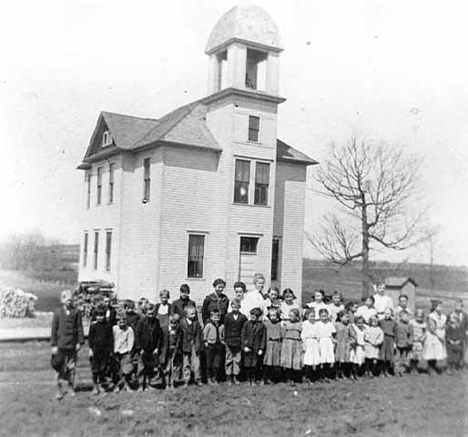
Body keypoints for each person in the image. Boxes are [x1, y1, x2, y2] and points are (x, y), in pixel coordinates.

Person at [51, 290, 85, 400]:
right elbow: (54, 330)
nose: (69, 302)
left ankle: (71, 387)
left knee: (72, 367)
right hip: (60, 345)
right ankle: (59, 389)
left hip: (72, 344)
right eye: (67, 299)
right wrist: (54, 345)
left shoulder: (76, 312)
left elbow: (79, 327)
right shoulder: (57, 312)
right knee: (59, 367)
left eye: (71, 299)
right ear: (62, 300)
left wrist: (79, 342)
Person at [135, 303, 162, 391]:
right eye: (149, 314)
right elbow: (137, 335)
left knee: (150, 367)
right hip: (143, 348)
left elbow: (159, 336)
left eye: (152, 314)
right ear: (145, 313)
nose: (151, 316)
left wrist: (157, 347)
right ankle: (140, 384)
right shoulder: (141, 322)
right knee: (141, 368)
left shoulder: (156, 322)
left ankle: (149, 384)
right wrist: (140, 348)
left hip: (152, 349)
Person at [88, 304, 113, 395]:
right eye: (98, 315)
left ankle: (102, 385)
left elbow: (110, 339)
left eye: (102, 315)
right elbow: (90, 339)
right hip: (95, 349)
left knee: (103, 368)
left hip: (105, 350)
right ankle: (95, 386)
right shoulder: (93, 326)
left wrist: (110, 350)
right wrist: (90, 349)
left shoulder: (108, 326)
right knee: (95, 369)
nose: (100, 318)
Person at [178, 305, 203, 387]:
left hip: (194, 345)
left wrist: (198, 345)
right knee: (186, 363)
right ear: (186, 314)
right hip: (185, 345)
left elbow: (199, 335)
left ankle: (198, 379)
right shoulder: (182, 323)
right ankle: (186, 380)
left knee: (197, 363)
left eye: (195, 314)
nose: (194, 315)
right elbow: (180, 335)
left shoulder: (196, 323)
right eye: (192, 314)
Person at [224, 298, 247, 385]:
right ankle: (228, 377)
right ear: (231, 307)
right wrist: (225, 339)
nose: (235, 309)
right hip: (229, 341)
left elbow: (244, 330)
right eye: (233, 307)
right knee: (229, 359)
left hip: (238, 341)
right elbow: (225, 328)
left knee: (237, 360)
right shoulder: (227, 316)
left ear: (239, 307)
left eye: (236, 307)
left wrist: (242, 341)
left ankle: (236, 376)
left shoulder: (243, 317)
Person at [241, 307, 267, 386]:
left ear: (258, 317)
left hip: (257, 348)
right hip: (248, 348)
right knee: (247, 364)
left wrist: (261, 348)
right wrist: (245, 345)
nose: (252, 317)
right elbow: (243, 335)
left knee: (255, 365)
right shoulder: (246, 324)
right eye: (251, 316)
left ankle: (254, 379)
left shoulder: (262, 326)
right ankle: (248, 379)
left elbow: (263, 338)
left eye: (254, 316)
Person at [112, 313, 135, 392]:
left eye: (123, 321)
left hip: (125, 351)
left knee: (126, 370)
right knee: (117, 370)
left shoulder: (129, 329)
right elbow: (112, 339)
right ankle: (117, 385)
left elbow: (131, 340)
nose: (121, 323)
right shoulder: (114, 329)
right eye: (119, 321)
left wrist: (129, 350)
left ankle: (126, 385)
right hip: (116, 351)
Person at [159, 314, 182, 390]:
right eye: (171, 323)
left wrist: (176, 350)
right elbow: (161, 341)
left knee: (174, 368)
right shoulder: (164, 330)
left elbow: (178, 341)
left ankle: (172, 383)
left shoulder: (178, 330)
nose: (173, 325)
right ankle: (166, 384)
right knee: (166, 368)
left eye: (175, 323)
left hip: (174, 351)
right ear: (169, 322)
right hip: (166, 351)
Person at [280, 308, 303, 385]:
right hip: (288, 343)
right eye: (289, 316)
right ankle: (288, 378)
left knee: (295, 360)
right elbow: (283, 334)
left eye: (292, 316)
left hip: (296, 343)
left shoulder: (300, 324)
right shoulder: (286, 324)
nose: (290, 317)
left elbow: (301, 334)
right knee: (288, 360)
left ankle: (295, 377)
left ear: (297, 317)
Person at [203, 309, 225, 385]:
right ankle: (209, 378)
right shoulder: (209, 326)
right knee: (209, 363)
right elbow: (204, 335)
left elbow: (222, 335)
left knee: (216, 363)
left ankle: (215, 378)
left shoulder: (222, 326)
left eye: (218, 317)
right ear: (211, 317)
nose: (216, 319)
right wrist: (205, 342)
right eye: (214, 317)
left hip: (218, 346)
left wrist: (222, 342)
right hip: (210, 345)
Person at [263, 306, 282, 383]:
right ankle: (265, 378)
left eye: (274, 315)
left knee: (275, 361)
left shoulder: (280, 324)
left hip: (276, 343)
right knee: (268, 361)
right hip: (269, 343)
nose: (272, 317)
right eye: (271, 316)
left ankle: (273, 378)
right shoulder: (267, 323)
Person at [316, 308, 336, 380]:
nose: (324, 318)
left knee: (328, 358)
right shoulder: (318, 324)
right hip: (321, 341)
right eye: (322, 316)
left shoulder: (329, 323)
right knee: (322, 357)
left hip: (328, 341)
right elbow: (317, 334)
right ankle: (321, 375)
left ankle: (328, 374)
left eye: (325, 316)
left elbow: (333, 332)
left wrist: (333, 340)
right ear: (319, 316)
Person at [301, 308, 320, 383]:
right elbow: (303, 334)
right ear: (307, 316)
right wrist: (304, 343)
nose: (312, 318)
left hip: (314, 342)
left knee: (314, 359)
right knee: (308, 359)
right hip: (308, 342)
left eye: (314, 316)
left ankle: (314, 376)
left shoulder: (316, 324)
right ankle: (307, 376)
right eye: (311, 316)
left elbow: (318, 333)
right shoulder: (305, 323)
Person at [334, 310, 355, 379]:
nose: (347, 319)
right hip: (338, 345)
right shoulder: (336, 325)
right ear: (340, 317)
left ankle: (343, 373)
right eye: (346, 317)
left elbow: (353, 335)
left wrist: (351, 342)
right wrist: (334, 340)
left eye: (348, 317)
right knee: (337, 360)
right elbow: (332, 334)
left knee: (344, 360)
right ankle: (336, 374)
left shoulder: (349, 326)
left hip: (346, 345)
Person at [427, 299, 447, 367]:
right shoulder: (431, 316)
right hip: (434, 335)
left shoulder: (443, 316)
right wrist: (438, 335)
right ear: (435, 307)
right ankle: (430, 367)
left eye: (441, 306)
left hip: (441, 333)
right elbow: (432, 328)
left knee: (437, 352)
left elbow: (444, 325)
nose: (441, 308)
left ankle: (434, 366)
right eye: (439, 306)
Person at [449, 299, 468, 366]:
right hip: (454, 335)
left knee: (462, 350)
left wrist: (466, 332)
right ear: (454, 306)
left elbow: (466, 325)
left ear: (462, 306)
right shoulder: (451, 314)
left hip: (462, 335)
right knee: (453, 350)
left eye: (459, 305)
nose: (458, 306)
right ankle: (452, 365)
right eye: (456, 305)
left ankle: (460, 364)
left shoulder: (465, 315)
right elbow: (448, 325)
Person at [394, 310, 413, 376]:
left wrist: (410, 341)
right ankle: (396, 371)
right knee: (397, 358)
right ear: (400, 317)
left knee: (404, 358)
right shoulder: (397, 324)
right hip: (398, 344)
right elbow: (395, 334)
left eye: (407, 316)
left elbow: (411, 334)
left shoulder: (410, 325)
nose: (406, 318)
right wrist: (394, 342)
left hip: (406, 344)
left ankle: (402, 370)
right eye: (405, 316)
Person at [379, 308, 397, 376]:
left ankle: (387, 371)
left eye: (388, 313)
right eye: (385, 313)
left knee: (388, 356)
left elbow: (396, 333)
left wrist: (395, 342)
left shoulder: (394, 322)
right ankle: (381, 371)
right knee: (382, 355)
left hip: (390, 340)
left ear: (391, 314)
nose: (386, 315)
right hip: (383, 339)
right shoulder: (381, 321)